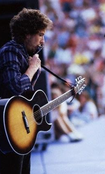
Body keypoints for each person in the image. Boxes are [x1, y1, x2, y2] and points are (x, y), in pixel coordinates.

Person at [0, 8, 52, 174]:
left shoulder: (26, 53)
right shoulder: (10, 50)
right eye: (40, 35)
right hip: (8, 125)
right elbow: (15, 87)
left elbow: (26, 94)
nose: (42, 41)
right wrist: (32, 68)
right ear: (27, 33)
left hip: (22, 123)